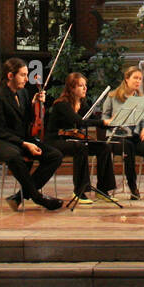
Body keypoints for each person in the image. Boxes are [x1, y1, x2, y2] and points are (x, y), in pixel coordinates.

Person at [0, 58, 64, 211]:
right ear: (10, 76)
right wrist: (24, 144)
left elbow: (27, 121)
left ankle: (18, 197)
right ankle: (37, 197)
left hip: (19, 140)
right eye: (23, 75)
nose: (27, 79)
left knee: (55, 155)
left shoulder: (23, 93)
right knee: (14, 156)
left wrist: (35, 104)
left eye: (27, 75)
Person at [46, 72, 117, 204]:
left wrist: (112, 123)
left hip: (72, 139)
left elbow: (94, 120)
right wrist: (103, 123)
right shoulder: (62, 104)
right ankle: (80, 190)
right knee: (80, 147)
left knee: (104, 147)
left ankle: (103, 189)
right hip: (56, 140)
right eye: (81, 85)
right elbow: (79, 122)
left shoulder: (82, 104)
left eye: (85, 85)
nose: (85, 88)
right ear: (71, 88)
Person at [101, 66, 144, 200]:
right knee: (128, 147)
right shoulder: (113, 96)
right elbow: (104, 117)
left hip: (134, 136)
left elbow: (143, 118)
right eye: (135, 78)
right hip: (117, 137)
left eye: (140, 79)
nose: (138, 81)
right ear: (126, 79)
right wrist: (110, 121)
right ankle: (133, 188)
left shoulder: (141, 98)